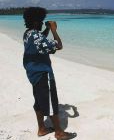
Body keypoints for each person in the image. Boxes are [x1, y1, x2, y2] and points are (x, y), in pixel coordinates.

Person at [23, 7, 76, 139]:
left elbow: (40, 40)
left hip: (33, 73)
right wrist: (53, 30)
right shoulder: (37, 36)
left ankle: (42, 128)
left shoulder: (28, 34)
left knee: (39, 101)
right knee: (51, 102)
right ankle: (59, 132)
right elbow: (58, 45)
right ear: (36, 22)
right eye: (41, 21)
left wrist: (46, 29)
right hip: (43, 73)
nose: (42, 24)